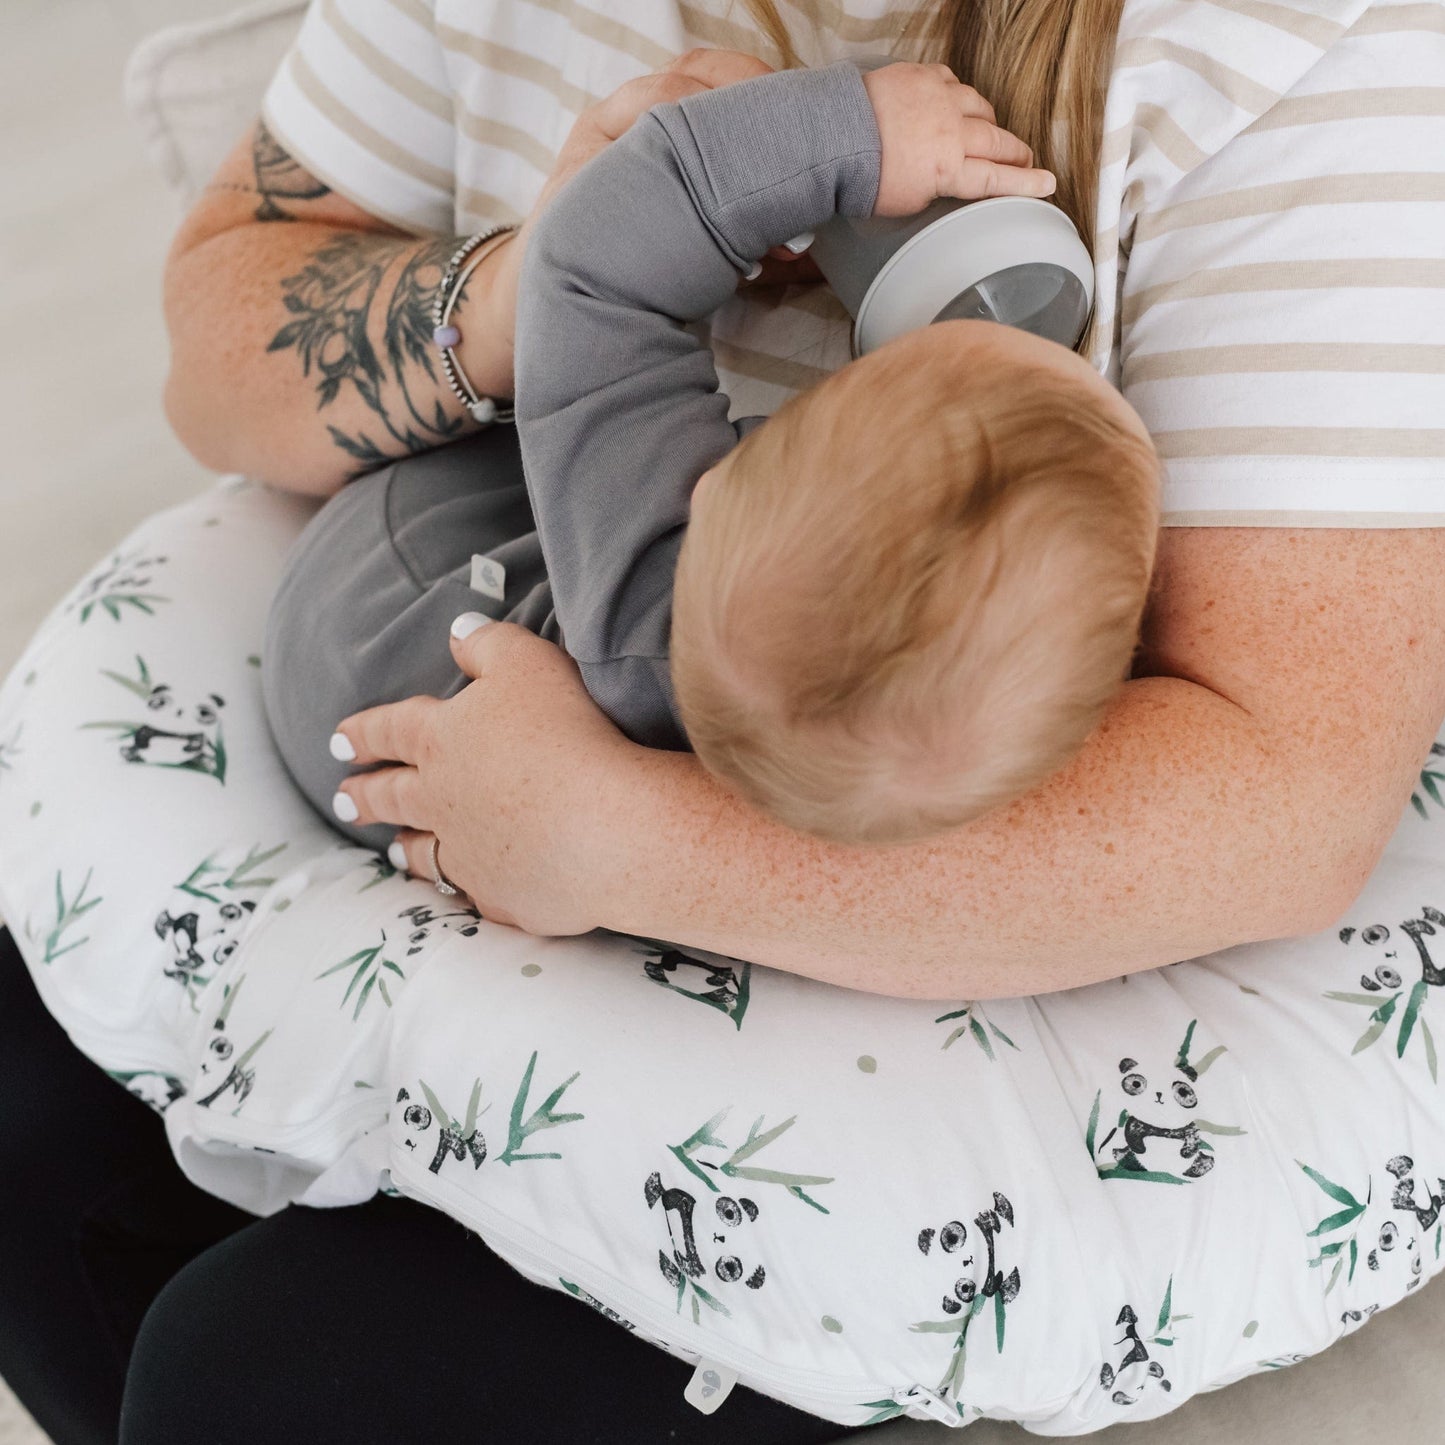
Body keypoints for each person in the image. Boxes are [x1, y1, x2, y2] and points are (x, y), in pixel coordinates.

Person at [0, 0, 1441, 1439]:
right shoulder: (775, 654)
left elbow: (1277, 793)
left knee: (253, 1378)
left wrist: (622, 840)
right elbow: (225, 349)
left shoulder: (1307, 56)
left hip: (536, 762)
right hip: (543, 774)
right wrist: (500, 295)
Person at [261, 57, 1159, 855]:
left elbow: (584, 272)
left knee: (568, 418)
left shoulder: (651, 559)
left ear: (717, 479)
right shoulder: (875, 764)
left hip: (375, 610)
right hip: (430, 752)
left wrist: (840, 137)